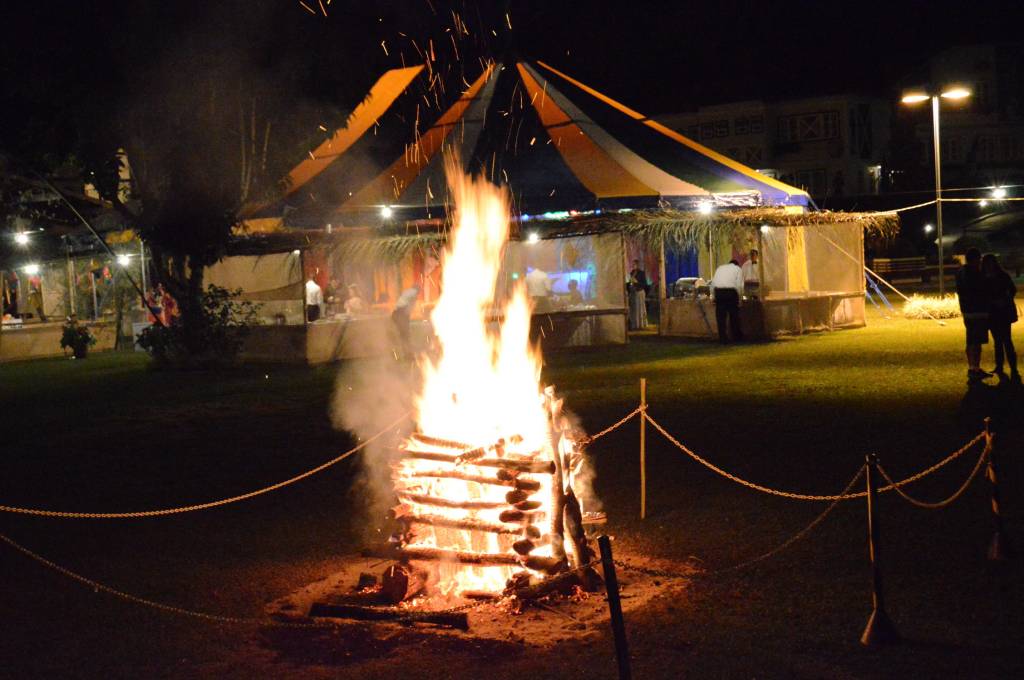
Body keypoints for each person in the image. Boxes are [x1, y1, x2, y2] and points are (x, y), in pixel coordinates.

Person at [955, 248, 991, 382]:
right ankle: (974, 368)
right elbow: (981, 290)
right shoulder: (975, 273)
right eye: (979, 259)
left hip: (968, 311)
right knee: (976, 342)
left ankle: (973, 367)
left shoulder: (961, 272)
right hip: (977, 311)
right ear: (975, 259)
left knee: (971, 340)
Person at [982, 253, 1019, 382]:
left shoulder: (1002, 276)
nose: (989, 266)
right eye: (987, 263)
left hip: (1003, 312)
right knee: (997, 341)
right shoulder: (984, 278)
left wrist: (1004, 300)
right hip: (992, 313)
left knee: (1007, 340)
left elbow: (1013, 290)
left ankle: (1013, 367)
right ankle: (999, 366)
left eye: (991, 263)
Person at [710, 259, 744, 343]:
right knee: (734, 316)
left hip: (719, 292)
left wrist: (713, 296)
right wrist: (740, 299)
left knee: (721, 317)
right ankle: (736, 337)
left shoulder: (720, 268)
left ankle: (722, 338)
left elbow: (713, 283)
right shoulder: (738, 269)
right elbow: (739, 285)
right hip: (731, 292)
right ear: (737, 265)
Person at [392, 285, 419, 358]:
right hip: (401, 314)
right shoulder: (414, 293)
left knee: (402, 335)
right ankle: (408, 354)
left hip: (396, 313)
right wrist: (408, 316)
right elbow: (410, 306)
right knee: (405, 335)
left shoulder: (407, 291)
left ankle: (404, 353)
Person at [628, 259, 649, 329]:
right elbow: (630, 282)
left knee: (640, 308)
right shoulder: (632, 273)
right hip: (633, 293)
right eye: (633, 264)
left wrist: (637, 282)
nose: (634, 266)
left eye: (635, 264)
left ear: (637, 265)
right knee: (634, 309)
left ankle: (641, 324)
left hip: (639, 292)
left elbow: (644, 284)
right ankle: (634, 324)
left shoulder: (642, 273)